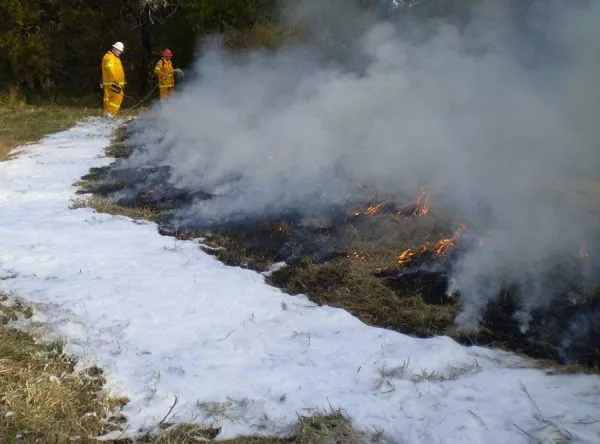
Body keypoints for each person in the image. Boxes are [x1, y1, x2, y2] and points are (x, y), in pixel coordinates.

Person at [100, 42, 126, 116]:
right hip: (112, 82)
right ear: (115, 49)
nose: (120, 53)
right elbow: (109, 68)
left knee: (112, 98)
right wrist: (116, 80)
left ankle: (108, 113)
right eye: (119, 51)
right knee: (118, 96)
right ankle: (110, 113)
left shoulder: (114, 57)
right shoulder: (110, 56)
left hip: (113, 82)